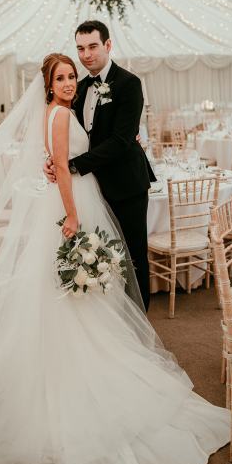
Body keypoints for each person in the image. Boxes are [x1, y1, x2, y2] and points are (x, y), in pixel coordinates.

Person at [0, 54, 232, 464]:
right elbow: (61, 163)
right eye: (62, 77)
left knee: (83, 296)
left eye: (73, 76)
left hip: (81, 197)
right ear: (48, 84)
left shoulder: (64, 110)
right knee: (73, 295)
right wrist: (72, 217)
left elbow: (64, 159)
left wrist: (69, 181)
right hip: (72, 205)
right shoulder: (57, 115)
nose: (70, 82)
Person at [44, 20, 154, 311]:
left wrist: (71, 165)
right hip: (93, 188)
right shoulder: (77, 88)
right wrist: (53, 162)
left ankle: (141, 320)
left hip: (126, 184)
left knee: (133, 257)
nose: (86, 54)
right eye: (80, 48)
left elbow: (120, 140)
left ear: (107, 45)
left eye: (93, 46)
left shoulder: (129, 84)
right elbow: (71, 137)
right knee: (104, 254)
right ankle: (117, 318)